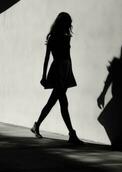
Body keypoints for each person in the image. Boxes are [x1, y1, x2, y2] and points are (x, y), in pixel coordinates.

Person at [31, 12, 83, 144]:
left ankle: (36, 125)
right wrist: (43, 76)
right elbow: (47, 58)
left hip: (65, 71)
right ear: (62, 22)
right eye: (68, 22)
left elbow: (68, 57)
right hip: (57, 72)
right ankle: (72, 134)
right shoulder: (53, 38)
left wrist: (70, 73)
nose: (70, 25)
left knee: (52, 102)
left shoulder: (67, 37)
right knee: (63, 103)